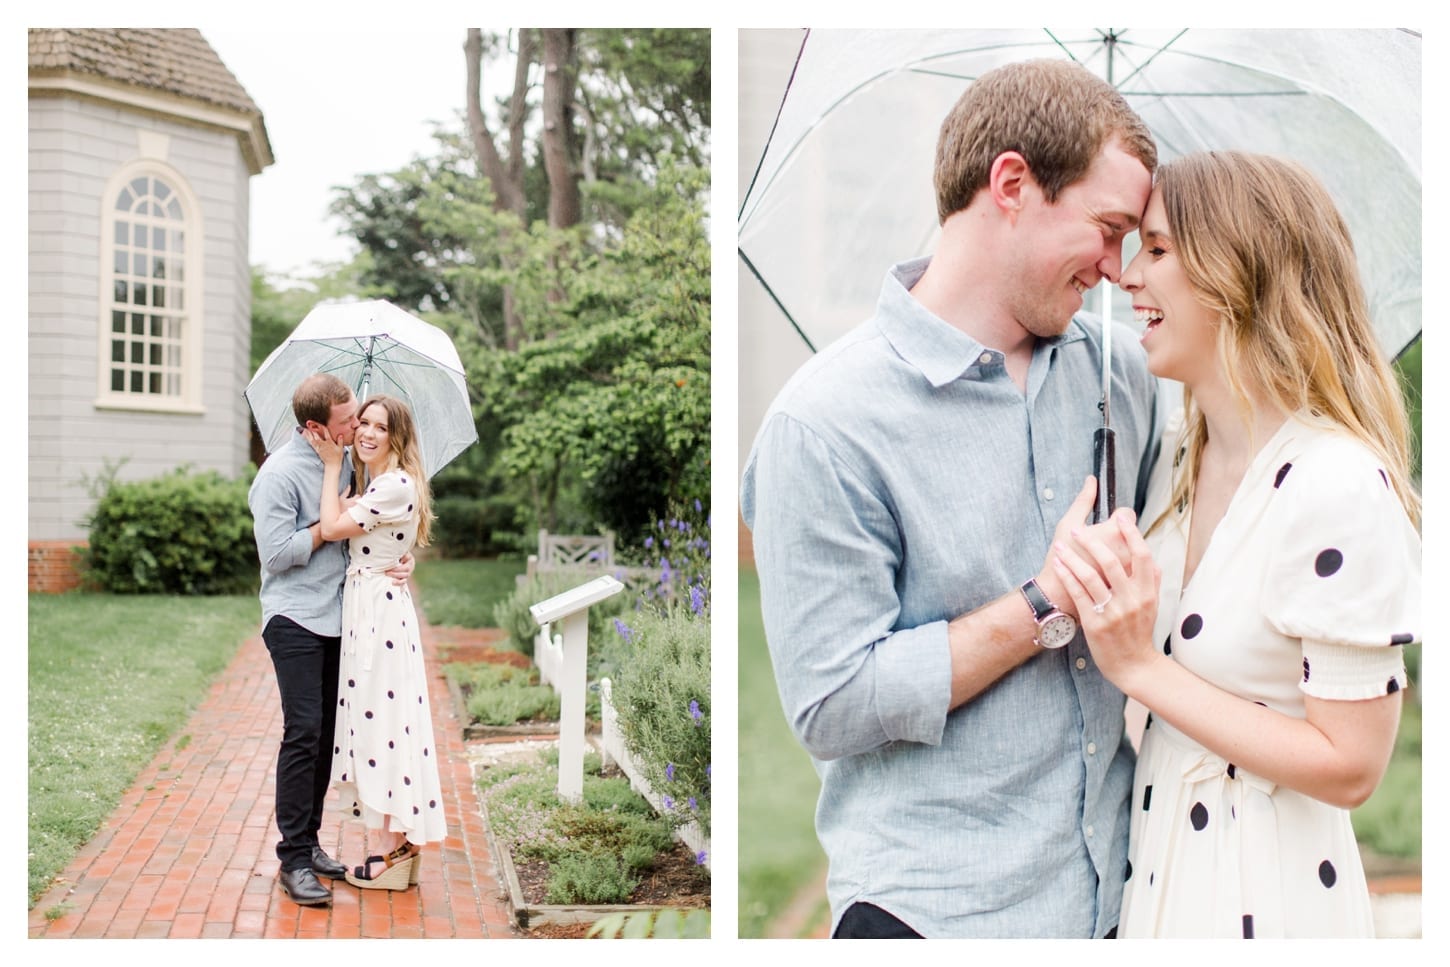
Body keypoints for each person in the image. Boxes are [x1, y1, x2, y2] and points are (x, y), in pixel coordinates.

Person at [740, 59, 1162, 938]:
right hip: (933, 916)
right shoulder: (824, 424)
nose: (1117, 268)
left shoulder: (1121, 374)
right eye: (1107, 227)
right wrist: (1042, 604)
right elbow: (832, 704)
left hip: (1122, 904)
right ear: (1012, 183)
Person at [1052, 151, 1421, 938]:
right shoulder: (1178, 461)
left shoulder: (1336, 484)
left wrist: (1138, 666)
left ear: (1239, 273)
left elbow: (1352, 764)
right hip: (1156, 880)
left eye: (1155, 249)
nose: (1126, 276)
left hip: (1264, 900)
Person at [249, 373, 413, 906]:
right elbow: (274, 557)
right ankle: (293, 860)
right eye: (348, 421)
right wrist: (327, 526)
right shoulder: (277, 476)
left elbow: (374, 528)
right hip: (294, 618)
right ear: (316, 426)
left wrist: (398, 558)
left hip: (342, 618)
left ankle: (311, 841)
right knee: (304, 731)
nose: (357, 427)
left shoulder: (346, 461)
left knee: (325, 737)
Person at [305, 394, 448, 891]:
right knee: (382, 723)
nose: (366, 432)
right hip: (373, 607)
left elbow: (329, 527)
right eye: (362, 422)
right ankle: (395, 848)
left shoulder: (394, 485)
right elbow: (373, 535)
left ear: (397, 437)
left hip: (379, 619)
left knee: (384, 725)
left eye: (379, 427)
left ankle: (396, 850)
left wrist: (329, 468)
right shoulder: (383, 484)